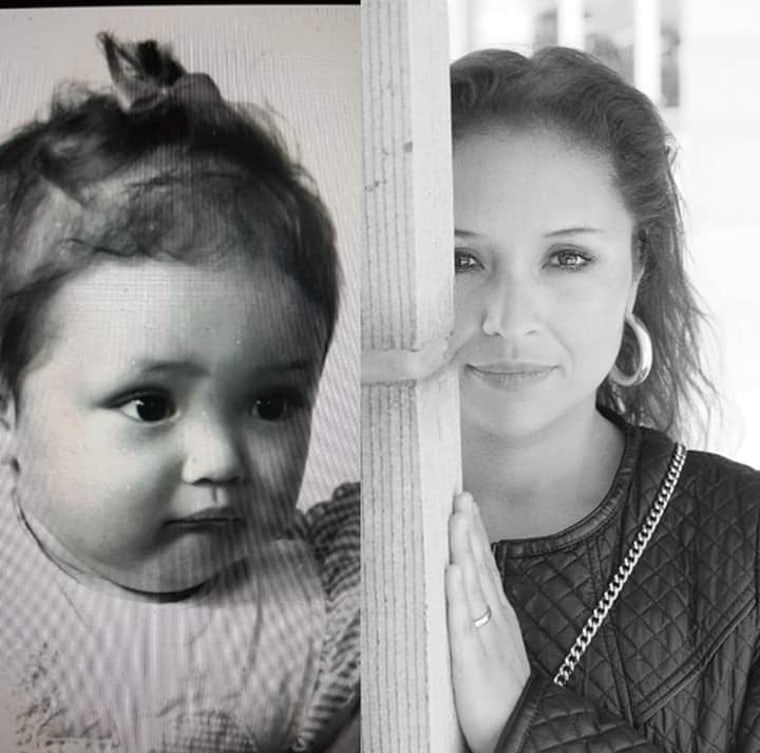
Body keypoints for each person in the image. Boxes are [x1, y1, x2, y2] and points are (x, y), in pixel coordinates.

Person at [0, 34, 358, 753]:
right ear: (6, 409)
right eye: (150, 404)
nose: (220, 458)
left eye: (272, 403)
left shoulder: (324, 614)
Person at [441, 47, 760, 753]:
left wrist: (522, 722)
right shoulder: (334, 536)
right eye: (462, 259)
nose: (509, 317)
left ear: (637, 268)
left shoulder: (746, 546)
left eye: (567, 258)